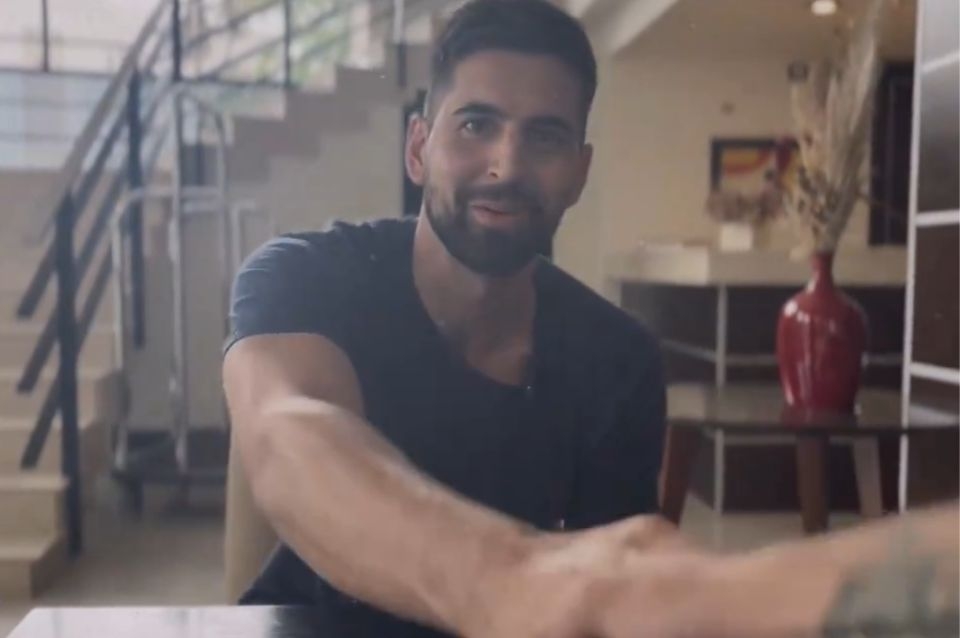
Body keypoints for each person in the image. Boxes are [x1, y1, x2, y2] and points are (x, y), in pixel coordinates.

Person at [223, 0, 665, 635]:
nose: (506, 166)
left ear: (578, 173)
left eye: (545, 137)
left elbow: (611, 609)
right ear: (418, 148)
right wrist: (512, 578)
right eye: (476, 125)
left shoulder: (618, 360)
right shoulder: (306, 277)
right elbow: (292, 440)